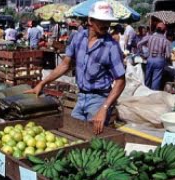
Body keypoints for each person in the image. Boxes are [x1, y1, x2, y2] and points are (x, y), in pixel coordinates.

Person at [25, 2, 126, 134]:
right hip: (81, 97)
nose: (105, 25)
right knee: (72, 133)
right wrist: (42, 83)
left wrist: (104, 108)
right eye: (101, 20)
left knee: (94, 140)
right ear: (90, 20)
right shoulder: (79, 38)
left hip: (99, 99)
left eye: (108, 21)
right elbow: (65, 64)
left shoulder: (111, 46)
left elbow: (121, 81)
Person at [137, 22, 171, 90]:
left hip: (150, 58)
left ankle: (145, 92)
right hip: (159, 60)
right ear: (164, 31)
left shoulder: (150, 37)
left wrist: (142, 54)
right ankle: (153, 95)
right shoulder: (166, 41)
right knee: (156, 80)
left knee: (147, 78)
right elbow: (168, 56)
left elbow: (139, 44)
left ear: (156, 29)